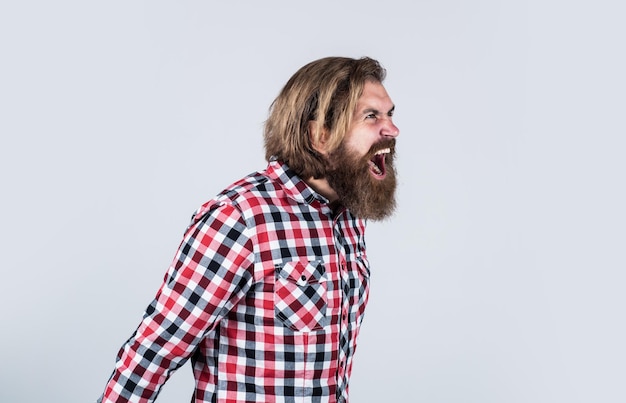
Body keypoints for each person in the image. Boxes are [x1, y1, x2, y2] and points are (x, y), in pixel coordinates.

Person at [98, 56, 400, 403]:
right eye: (371, 116)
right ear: (319, 135)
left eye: (389, 113)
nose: (392, 129)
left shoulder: (347, 216)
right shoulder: (239, 219)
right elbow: (151, 355)